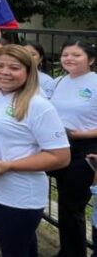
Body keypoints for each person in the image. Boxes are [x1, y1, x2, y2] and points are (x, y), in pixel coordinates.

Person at [0, 45, 70, 257]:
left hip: (17, 194)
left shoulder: (39, 105)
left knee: (15, 251)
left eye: (14, 67)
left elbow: (61, 157)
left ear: (28, 72)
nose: (5, 72)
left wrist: (10, 166)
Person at [49, 40, 97, 257]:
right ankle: (66, 250)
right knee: (64, 202)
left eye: (76, 55)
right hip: (58, 144)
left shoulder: (95, 83)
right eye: (66, 54)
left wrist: (82, 134)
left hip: (84, 148)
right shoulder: (59, 81)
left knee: (73, 206)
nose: (69, 58)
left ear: (91, 59)